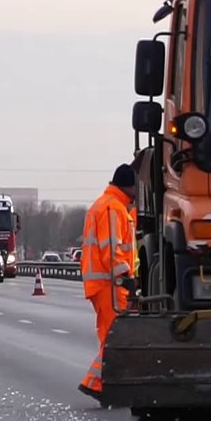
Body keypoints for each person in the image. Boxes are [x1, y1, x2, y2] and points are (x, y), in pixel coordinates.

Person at [78, 163, 139, 404]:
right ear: (130, 186)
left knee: (110, 336)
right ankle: (95, 383)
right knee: (116, 337)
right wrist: (126, 278)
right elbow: (112, 249)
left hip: (102, 282)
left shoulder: (106, 204)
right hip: (110, 284)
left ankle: (105, 385)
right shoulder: (113, 208)